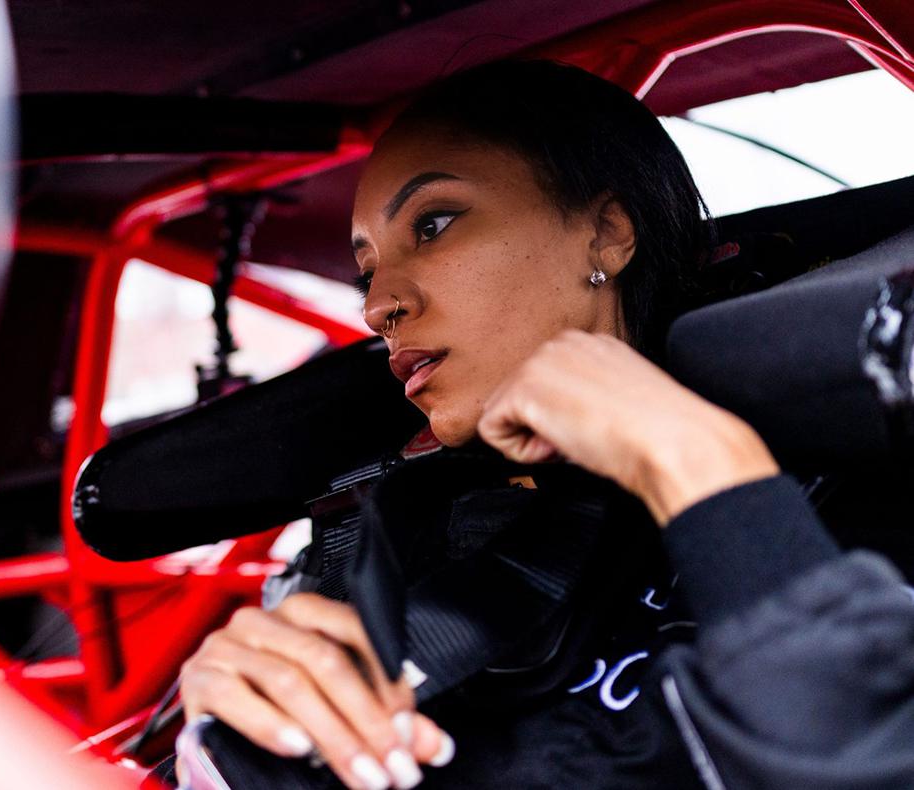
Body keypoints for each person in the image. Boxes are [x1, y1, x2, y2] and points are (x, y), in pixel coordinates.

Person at [175, 60, 914, 789]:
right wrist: (229, 733)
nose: (377, 307)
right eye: (367, 272)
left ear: (606, 234)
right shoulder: (398, 538)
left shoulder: (846, 484)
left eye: (432, 225)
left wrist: (694, 464)